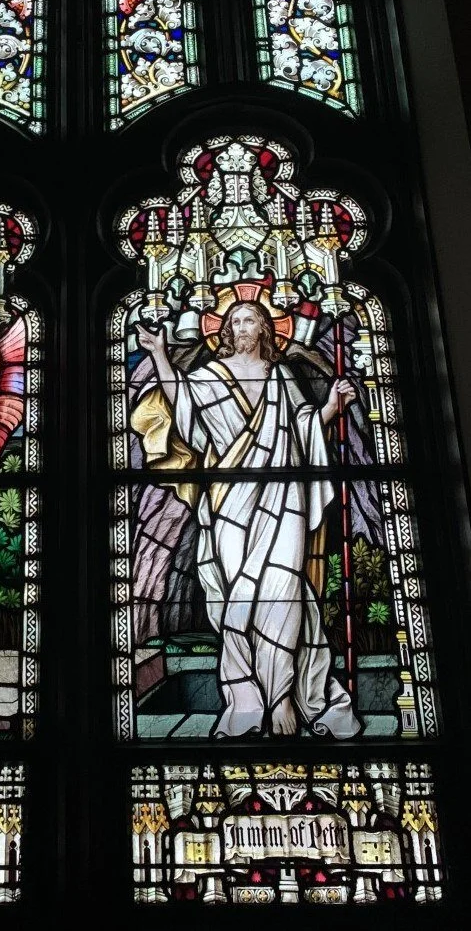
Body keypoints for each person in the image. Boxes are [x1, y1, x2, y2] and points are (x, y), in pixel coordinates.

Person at [135, 299, 361, 739]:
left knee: (282, 587)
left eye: (250, 319)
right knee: (236, 594)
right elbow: (182, 403)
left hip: (283, 496)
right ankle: (248, 700)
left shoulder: (281, 377)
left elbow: (303, 427)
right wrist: (160, 354)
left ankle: (282, 697)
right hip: (228, 500)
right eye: (234, 320)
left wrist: (332, 407)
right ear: (225, 330)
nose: (241, 326)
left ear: (264, 329)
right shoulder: (210, 375)